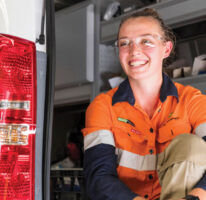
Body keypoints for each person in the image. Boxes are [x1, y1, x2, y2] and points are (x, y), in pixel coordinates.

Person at [82, 8, 206, 200]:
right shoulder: (102, 106)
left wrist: (195, 197)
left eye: (146, 41)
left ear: (166, 49)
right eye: (125, 43)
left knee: (189, 145)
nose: (134, 51)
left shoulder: (193, 101)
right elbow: (98, 178)